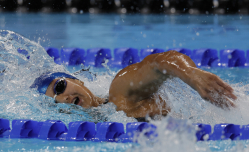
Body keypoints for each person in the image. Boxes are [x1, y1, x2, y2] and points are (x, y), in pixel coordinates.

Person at [31, 50, 237, 120]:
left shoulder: (120, 93)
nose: (63, 98)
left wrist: (191, 75)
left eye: (59, 87)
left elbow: (160, 62)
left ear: (77, 80)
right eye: (54, 102)